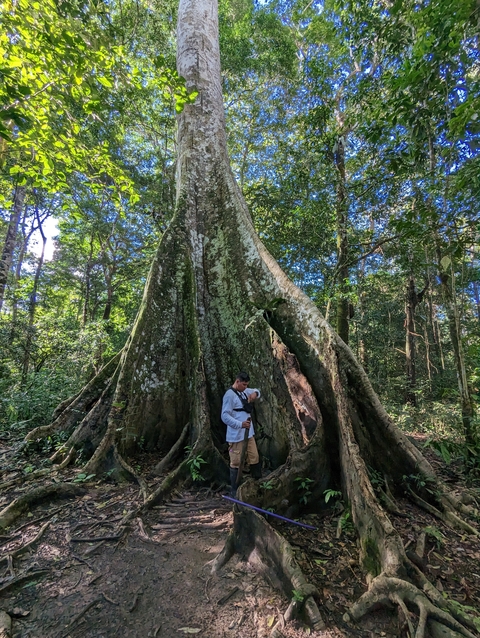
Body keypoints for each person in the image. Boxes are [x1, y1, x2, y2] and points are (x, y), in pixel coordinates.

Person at [221, 371, 262, 495]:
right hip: (236, 436)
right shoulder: (229, 395)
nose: (245, 387)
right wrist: (240, 424)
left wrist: (255, 393)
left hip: (248, 434)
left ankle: (257, 484)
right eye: (244, 384)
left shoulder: (244, 391)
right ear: (237, 381)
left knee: (254, 457)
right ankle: (235, 489)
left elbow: (257, 391)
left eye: (247, 385)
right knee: (236, 462)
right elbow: (224, 416)